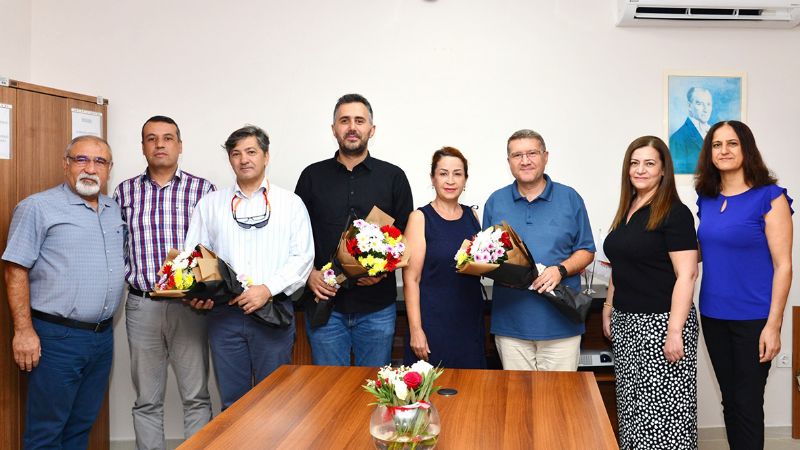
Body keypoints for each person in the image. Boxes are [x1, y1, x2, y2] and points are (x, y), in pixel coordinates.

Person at [2, 135, 125, 449]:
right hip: (57, 338)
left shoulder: (113, 209)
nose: (90, 168)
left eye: (99, 161)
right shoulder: (37, 207)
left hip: (102, 338)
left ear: (109, 169)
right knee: (46, 431)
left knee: (80, 426)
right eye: (81, 159)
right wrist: (23, 331)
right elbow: (15, 270)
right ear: (65, 164)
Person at [185, 125, 313, 409]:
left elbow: (303, 258)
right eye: (236, 153)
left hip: (273, 313)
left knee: (277, 403)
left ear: (266, 156)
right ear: (230, 160)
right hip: (225, 317)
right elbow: (196, 258)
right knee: (233, 404)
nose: (244, 159)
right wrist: (199, 293)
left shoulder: (291, 204)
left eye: (251, 152)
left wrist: (266, 289)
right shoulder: (210, 204)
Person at [114, 115, 215, 449]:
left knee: (196, 396)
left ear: (180, 145)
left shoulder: (203, 189)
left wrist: (207, 292)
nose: (160, 144)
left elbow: (214, 247)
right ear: (143, 147)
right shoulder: (124, 191)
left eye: (168, 138)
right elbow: (117, 246)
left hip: (190, 305)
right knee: (147, 399)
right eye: (152, 138)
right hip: (142, 305)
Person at [695, 120, 793, 450]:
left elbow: (783, 266)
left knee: (748, 404)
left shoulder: (770, 197)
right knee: (730, 401)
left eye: (732, 143)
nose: (723, 150)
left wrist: (774, 326)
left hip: (754, 319)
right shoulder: (706, 199)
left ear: (746, 149)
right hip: (713, 315)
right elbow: (702, 251)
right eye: (716, 145)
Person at [295, 93, 413, 367]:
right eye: (344, 120)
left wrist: (383, 271)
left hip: (377, 308)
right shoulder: (312, 176)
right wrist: (308, 275)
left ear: (371, 129)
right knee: (329, 388)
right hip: (325, 305)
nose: (352, 127)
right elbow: (295, 237)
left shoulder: (393, 177)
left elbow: (405, 236)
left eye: (359, 121)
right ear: (333, 128)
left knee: (375, 386)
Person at [602, 136, 699, 449]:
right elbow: (621, 263)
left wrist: (674, 331)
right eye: (634, 163)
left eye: (649, 163)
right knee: (632, 411)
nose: (640, 170)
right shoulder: (628, 209)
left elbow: (687, 274)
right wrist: (608, 307)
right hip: (627, 323)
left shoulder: (675, 213)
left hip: (661, 325)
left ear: (663, 170)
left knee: (664, 417)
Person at [483, 129, 595, 371]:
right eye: (517, 155)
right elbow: (487, 258)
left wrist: (560, 270)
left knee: (560, 395)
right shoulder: (495, 202)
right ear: (509, 161)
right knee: (517, 395)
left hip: (562, 325)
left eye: (532, 153)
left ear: (545, 157)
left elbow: (587, 250)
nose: (525, 161)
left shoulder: (570, 198)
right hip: (511, 327)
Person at [402, 147, 485, 368]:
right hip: (432, 325)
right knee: (431, 388)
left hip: (469, 323)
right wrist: (416, 330)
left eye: (457, 174)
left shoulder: (472, 215)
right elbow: (411, 279)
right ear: (433, 178)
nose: (450, 180)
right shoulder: (420, 218)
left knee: (472, 387)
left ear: (465, 179)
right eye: (443, 173)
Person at [670, 87, 713, 174]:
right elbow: (679, 175)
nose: (706, 110)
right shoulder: (677, 139)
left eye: (708, 104)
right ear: (689, 106)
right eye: (699, 104)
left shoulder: (714, 132)